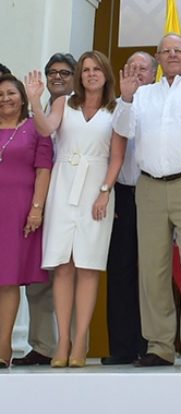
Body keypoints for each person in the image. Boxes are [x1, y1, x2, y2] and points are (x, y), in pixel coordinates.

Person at [114, 33, 181, 368]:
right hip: (149, 188)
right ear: (158, 58)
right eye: (166, 51)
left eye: (178, 50)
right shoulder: (143, 95)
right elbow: (123, 129)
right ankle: (159, 345)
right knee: (153, 269)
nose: (172, 55)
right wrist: (126, 99)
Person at [26, 50, 125, 368]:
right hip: (64, 185)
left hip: (96, 189)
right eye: (85, 70)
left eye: (97, 69)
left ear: (106, 75)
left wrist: (105, 193)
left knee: (88, 265)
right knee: (63, 265)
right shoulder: (63, 103)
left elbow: (117, 158)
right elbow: (45, 129)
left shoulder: (116, 110)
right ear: (79, 76)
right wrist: (33, 99)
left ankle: (81, 339)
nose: (91, 74)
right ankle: (63, 340)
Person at [12, 52, 76, 367]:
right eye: (53, 72)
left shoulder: (77, 107)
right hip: (41, 202)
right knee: (38, 280)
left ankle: (68, 347)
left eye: (65, 72)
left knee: (66, 275)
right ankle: (43, 345)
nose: (58, 77)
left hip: (68, 201)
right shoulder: (44, 108)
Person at [102, 51, 156, 365]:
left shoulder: (160, 103)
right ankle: (122, 347)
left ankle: (151, 345)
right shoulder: (114, 105)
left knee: (151, 273)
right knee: (120, 270)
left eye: (143, 68)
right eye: (132, 67)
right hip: (122, 194)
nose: (137, 73)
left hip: (152, 192)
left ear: (154, 73)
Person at [0, 74, 53, 368]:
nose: (5, 98)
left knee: (7, 281)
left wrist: (37, 208)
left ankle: (3, 349)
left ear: (21, 97)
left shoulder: (35, 128)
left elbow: (43, 169)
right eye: (0, 94)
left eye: (11, 93)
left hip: (18, 210)